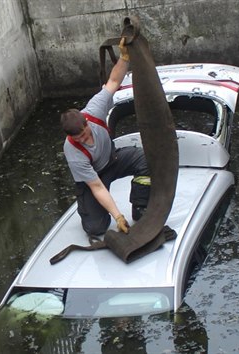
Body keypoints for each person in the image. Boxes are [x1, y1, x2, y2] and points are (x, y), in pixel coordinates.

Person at [60, 38, 149, 237]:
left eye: (85, 133)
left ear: (86, 122)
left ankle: (140, 207)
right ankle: (89, 210)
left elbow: (114, 81)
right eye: (79, 139)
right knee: (95, 228)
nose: (84, 139)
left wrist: (124, 57)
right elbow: (97, 186)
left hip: (113, 160)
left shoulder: (94, 110)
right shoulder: (72, 151)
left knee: (146, 159)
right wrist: (117, 216)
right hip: (93, 177)